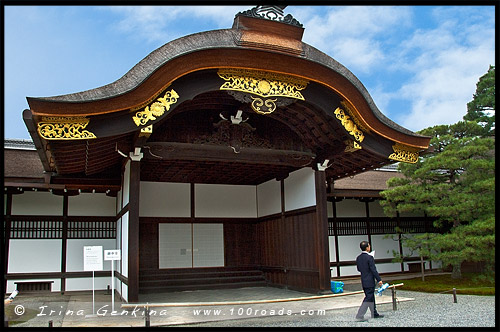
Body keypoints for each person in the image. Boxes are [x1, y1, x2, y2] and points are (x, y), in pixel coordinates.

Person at [355, 241, 384, 321]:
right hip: (370, 280)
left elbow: (359, 269)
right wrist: (379, 279)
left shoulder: (358, 258)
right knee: (368, 297)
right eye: (369, 246)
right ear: (367, 247)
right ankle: (360, 314)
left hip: (364, 279)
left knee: (371, 296)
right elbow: (373, 270)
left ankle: (374, 313)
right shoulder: (369, 257)